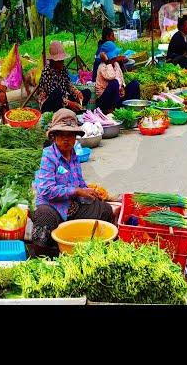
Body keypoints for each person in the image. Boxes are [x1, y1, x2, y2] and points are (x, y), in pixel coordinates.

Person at [32, 109, 115, 257]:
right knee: (43, 216)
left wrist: (89, 192)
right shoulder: (49, 156)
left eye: (70, 135)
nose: (66, 139)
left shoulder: (74, 154)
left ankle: (91, 249)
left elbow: (79, 182)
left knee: (106, 210)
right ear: (54, 136)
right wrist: (76, 191)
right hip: (53, 208)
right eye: (62, 135)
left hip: (73, 206)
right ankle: (45, 255)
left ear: (75, 137)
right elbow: (46, 190)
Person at [36, 41, 91, 113]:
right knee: (57, 93)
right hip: (50, 102)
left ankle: (71, 109)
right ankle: (69, 109)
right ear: (53, 61)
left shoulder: (63, 68)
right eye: (59, 61)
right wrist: (69, 103)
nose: (62, 62)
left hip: (64, 98)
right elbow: (52, 94)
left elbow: (69, 84)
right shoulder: (47, 71)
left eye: (62, 60)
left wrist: (77, 93)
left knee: (87, 92)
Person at [95, 47, 140, 114]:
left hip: (118, 97)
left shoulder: (116, 64)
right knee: (114, 82)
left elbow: (120, 77)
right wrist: (108, 63)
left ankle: (134, 107)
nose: (117, 56)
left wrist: (122, 87)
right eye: (115, 54)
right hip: (106, 101)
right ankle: (113, 110)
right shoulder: (102, 66)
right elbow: (111, 76)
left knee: (134, 83)